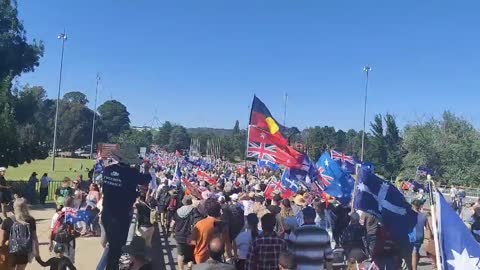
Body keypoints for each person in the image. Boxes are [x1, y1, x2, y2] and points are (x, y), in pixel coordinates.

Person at [101, 145, 150, 270]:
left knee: (112, 246)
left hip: (107, 213)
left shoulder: (107, 170)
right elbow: (146, 179)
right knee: (117, 248)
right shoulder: (131, 173)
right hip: (120, 215)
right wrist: (146, 169)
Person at [190, 198, 231, 264]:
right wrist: (229, 258)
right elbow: (227, 244)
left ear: (206, 210)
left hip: (200, 257)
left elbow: (192, 242)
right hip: (217, 258)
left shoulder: (199, 224)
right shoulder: (223, 225)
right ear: (218, 210)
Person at [3, 198, 39, 270]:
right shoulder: (31, 220)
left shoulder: (7, 221)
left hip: (11, 251)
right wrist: (37, 252)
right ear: (26, 207)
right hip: (24, 251)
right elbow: (34, 238)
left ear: (14, 207)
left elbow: (1, 240)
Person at [174, 195, 198, 270]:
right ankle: (189, 267)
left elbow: (173, 222)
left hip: (179, 235)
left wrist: (172, 231)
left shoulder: (178, 211)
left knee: (180, 254)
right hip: (190, 236)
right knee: (190, 255)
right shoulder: (194, 210)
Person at [410, 199, 428, 270]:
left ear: (413, 205)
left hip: (412, 236)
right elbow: (427, 227)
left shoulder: (409, 215)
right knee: (416, 251)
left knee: (414, 252)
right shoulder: (424, 216)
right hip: (420, 236)